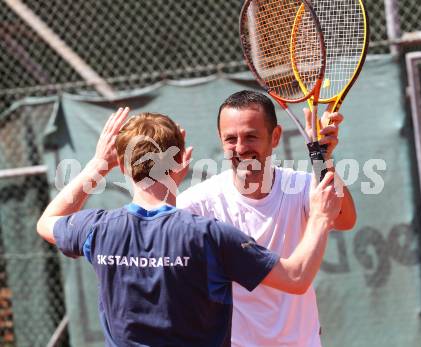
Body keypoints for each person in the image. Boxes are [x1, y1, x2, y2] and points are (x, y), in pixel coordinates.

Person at [37, 107, 342, 347]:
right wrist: (319, 218)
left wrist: (97, 165)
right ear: (181, 159)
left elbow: (47, 222)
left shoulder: (98, 229)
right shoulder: (207, 235)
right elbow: (296, 277)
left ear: (121, 165)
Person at [177, 90, 357, 347]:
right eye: (230, 139)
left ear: (275, 137)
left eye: (251, 136)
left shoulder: (302, 186)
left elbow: (344, 219)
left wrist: (322, 157)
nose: (240, 148)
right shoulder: (197, 204)